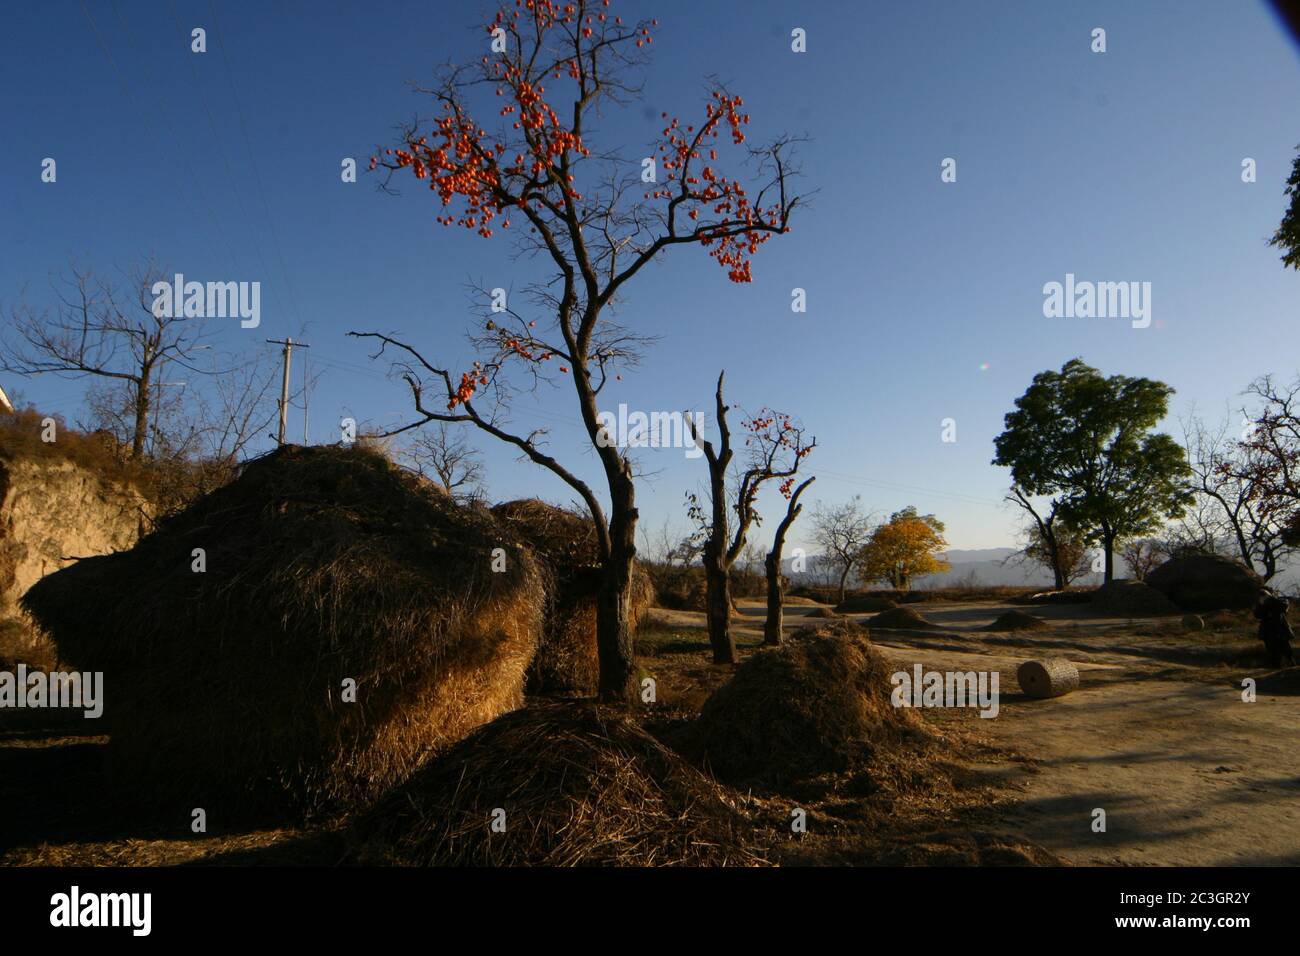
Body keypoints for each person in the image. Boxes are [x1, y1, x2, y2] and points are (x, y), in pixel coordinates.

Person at [1253, 589, 1296, 668]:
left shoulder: (1279, 601)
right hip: (1268, 632)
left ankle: (1290, 666)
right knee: (1272, 652)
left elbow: (1284, 607)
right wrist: (1263, 604)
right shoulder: (1261, 604)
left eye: (1264, 596)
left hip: (1280, 629)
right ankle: (1275, 667)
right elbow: (1258, 614)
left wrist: (1271, 600)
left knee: (1287, 651)